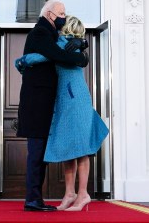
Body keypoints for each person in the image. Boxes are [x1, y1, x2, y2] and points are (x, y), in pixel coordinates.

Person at [15, 15, 109, 211]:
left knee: (81, 148)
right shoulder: (69, 44)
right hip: (68, 100)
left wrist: (21, 60)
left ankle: (83, 195)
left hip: (75, 100)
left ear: (65, 29)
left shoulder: (64, 44)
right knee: (70, 147)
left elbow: (41, 56)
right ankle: (70, 194)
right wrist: (82, 44)